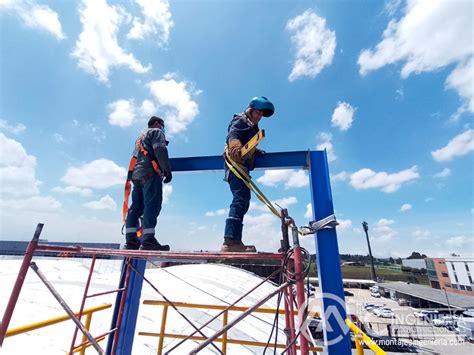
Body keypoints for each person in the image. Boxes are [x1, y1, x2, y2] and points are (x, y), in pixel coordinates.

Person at [222, 96, 275, 252]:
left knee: (243, 200)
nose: (259, 116)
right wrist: (235, 147)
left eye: (261, 115)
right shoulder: (241, 121)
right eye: (257, 113)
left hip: (242, 168)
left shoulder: (252, 128)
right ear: (250, 111)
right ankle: (230, 241)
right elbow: (234, 135)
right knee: (240, 199)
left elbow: (245, 142)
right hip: (235, 167)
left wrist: (254, 150)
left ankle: (234, 240)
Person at [123, 116, 172, 250]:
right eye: (163, 125)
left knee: (136, 207)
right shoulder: (156, 132)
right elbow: (160, 150)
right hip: (150, 172)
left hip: (136, 175)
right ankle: (148, 240)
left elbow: (135, 157)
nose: (163, 129)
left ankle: (131, 241)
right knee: (152, 205)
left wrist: (130, 176)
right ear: (157, 123)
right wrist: (166, 170)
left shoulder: (140, 138)